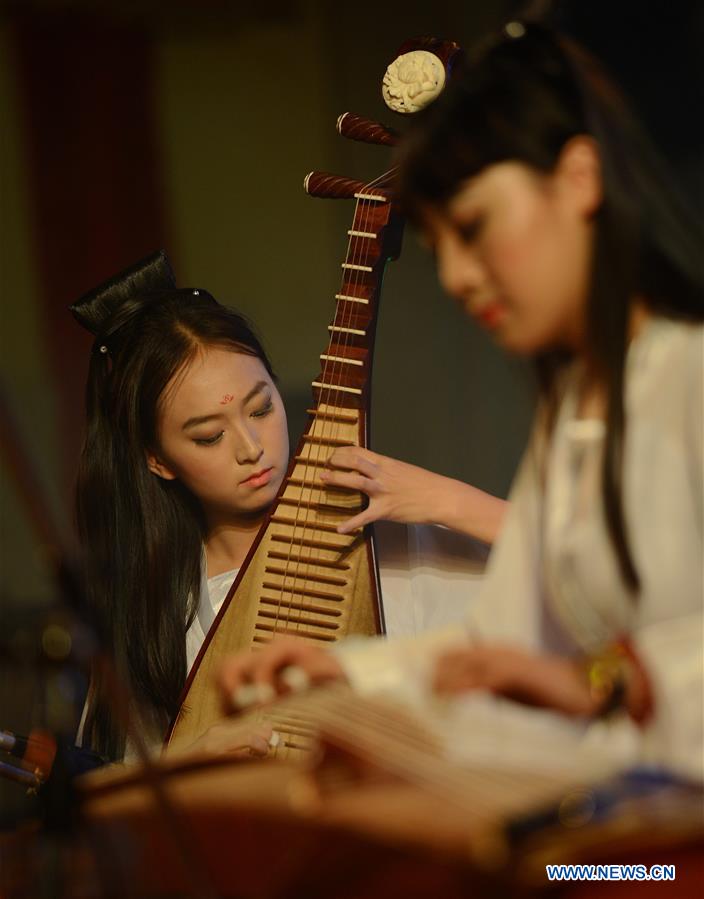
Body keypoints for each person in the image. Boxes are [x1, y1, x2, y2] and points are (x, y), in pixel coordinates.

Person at [219, 21, 704, 781]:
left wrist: (611, 681)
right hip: (618, 842)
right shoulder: (574, 409)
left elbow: (585, 673)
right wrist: (344, 674)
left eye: (475, 228)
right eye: (442, 246)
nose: (457, 277)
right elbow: (504, 645)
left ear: (579, 178)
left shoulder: (690, 373)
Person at [70, 251, 505, 763]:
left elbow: (580, 582)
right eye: (209, 436)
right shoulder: (158, 613)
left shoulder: (382, 525)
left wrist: (450, 500)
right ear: (157, 460)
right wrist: (191, 756)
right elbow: (124, 805)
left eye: (261, 408)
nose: (251, 447)